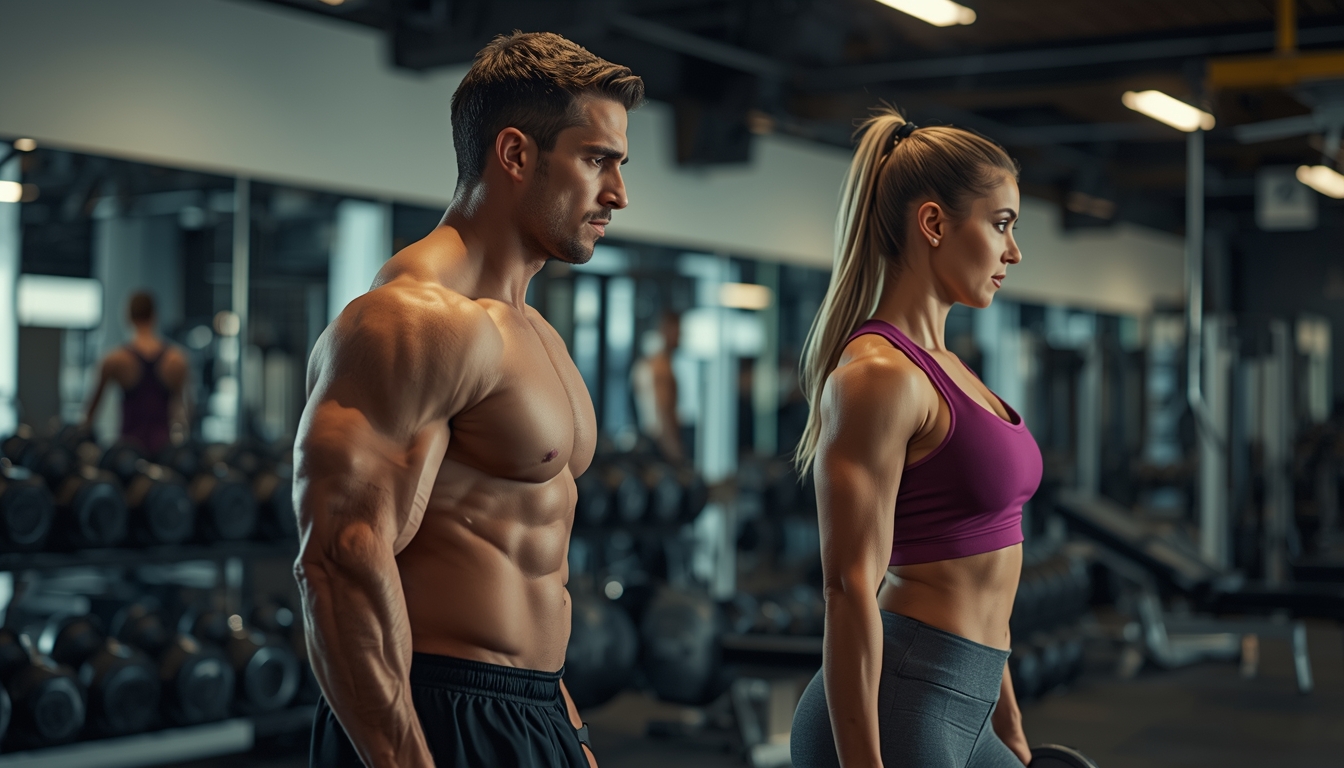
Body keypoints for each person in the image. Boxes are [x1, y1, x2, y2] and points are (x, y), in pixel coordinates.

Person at [293, 32, 642, 768]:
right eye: (595, 160)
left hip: (533, 710)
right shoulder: (411, 319)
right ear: (516, 154)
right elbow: (341, 561)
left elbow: (541, 564)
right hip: (433, 715)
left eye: (619, 165)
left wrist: (567, 728)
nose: (618, 193)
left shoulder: (536, 332)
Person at [789, 110, 1040, 768]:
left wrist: (1007, 717)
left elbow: (988, 558)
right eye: (1002, 224)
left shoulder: (953, 369)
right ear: (933, 224)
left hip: (971, 701)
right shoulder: (877, 376)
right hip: (899, 703)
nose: (1014, 252)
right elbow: (847, 589)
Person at [83, 291, 189, 454]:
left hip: (129, 454)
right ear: (154, 316)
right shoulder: (177, 360)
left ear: (128, 316)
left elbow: (90, 415)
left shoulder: (115, 360)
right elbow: (183, 413)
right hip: (163, 450)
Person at [630, 311, 684, 462]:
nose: (681, 337)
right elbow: (662, 413)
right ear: (665, 330)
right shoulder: (660, 368)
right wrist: (676, 455)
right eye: (678, 331)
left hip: (649, 443)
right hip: (659, 447)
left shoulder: (650, 364)